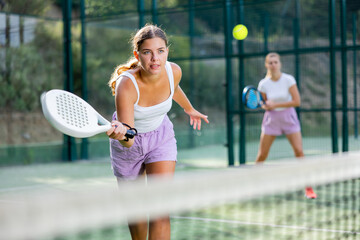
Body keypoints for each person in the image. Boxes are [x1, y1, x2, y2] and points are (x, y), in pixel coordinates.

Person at [106, 24, 209, 240]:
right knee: (135, 213)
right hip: (128, 146)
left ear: (167, 52)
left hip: (161, 138)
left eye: (160, 51)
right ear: (137, 54)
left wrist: (188, 108)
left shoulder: (174, 71)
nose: (155, 59)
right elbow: (129, 140)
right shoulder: (126, 85)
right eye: (147, 52)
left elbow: (174, 88)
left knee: (160, 210)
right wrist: (120, 135)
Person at [255, 52, 317, 199]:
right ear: (266, 65)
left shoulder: (288, 80)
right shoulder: (263, 84)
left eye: (276, 62)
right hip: (271, 120)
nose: (273, 65)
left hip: (289, 118)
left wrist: (276, 104)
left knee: (299, 152)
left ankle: (308, 188)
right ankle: (252, 185)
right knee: (262, 155)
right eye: (270, 62)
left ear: (280, 64)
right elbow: (263, 104)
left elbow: (296, 101)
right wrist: (267, 106)